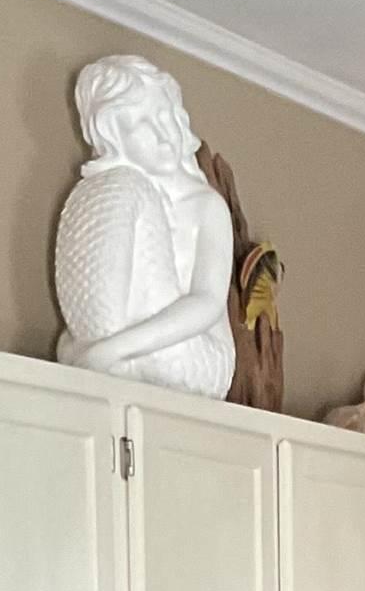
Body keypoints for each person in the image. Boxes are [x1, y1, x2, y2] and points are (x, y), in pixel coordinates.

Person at [54, 54, 234, 397]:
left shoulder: (206, 206)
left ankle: (112, 353)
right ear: (114, 140)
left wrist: (112, 349)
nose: (163, 134)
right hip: (139, 347)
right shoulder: (123, 194)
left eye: (166, 117)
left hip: (201, 357)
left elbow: (207, 303)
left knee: (103, 357)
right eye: (141, 126)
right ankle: (110, 353)